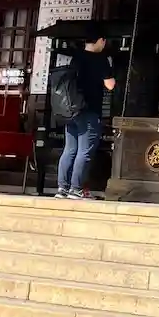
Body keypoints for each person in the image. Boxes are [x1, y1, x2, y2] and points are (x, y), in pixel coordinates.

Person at [52, 24, 115, 200]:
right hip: (89, 110)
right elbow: (110, 85)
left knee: (69, 149)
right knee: (84, 151)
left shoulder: (76, 58)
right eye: (104, 41)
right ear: (100, 41)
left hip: (71, 110)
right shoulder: (100, 59)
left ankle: (62, 188)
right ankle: (76, 189)